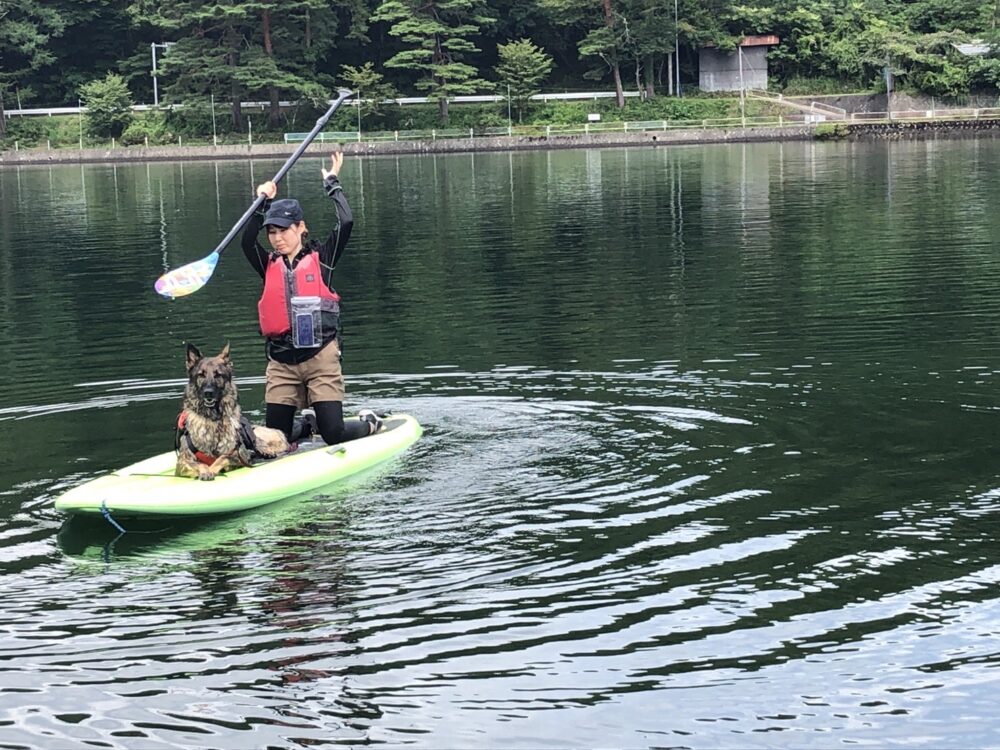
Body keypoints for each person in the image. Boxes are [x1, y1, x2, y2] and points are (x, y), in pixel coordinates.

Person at [241, 151, 379, 445]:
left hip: (320, 359)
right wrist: (260, 202)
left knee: (334, 434)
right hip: (281, 363)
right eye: (272, 232)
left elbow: (346, 222)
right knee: (273, 440)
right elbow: (245, 240)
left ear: (301, 228)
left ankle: (370, 424)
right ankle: (306, 425)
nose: (277, 239)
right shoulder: (267, 265)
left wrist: (332, 182)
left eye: (284, 231)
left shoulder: (323, 259)